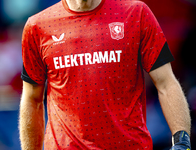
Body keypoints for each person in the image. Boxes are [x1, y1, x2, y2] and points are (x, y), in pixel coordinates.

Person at [19, 0, 191, 149]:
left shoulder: (136, 13)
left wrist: (181, 142)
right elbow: (32, 99)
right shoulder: (38, 26)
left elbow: (166, 84)